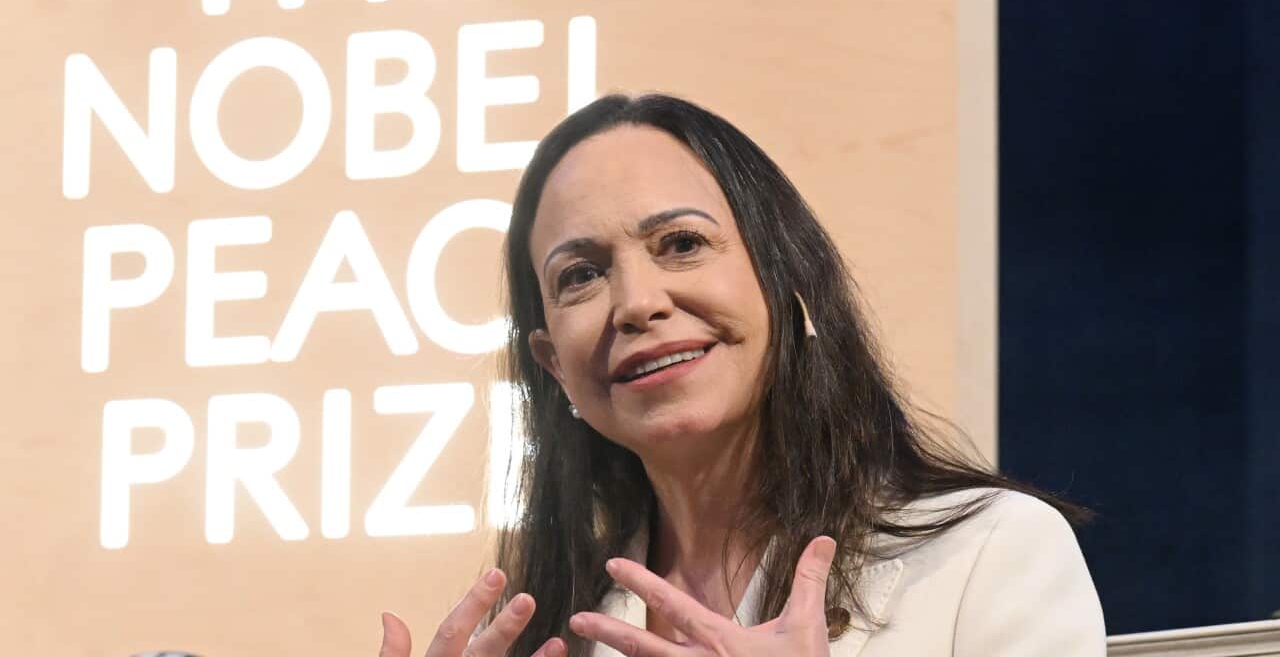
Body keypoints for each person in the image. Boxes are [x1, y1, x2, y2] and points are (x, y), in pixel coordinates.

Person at [378, 93, 1107, 657]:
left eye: (681, 243)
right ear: (554, 367)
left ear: (788, 281)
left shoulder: (988, 554)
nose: (636, 303)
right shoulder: (541, 626)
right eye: (581, 275)